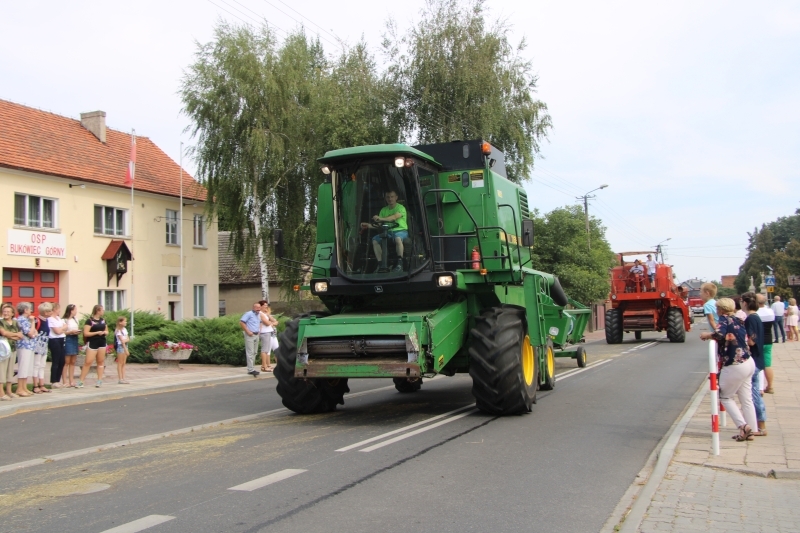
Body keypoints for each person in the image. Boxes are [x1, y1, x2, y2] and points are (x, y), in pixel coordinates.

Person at [700, 298, 757, 442]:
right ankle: (753, 429)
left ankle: (744, 426)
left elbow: (719, 334)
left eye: (717, 309)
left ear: (721, 309)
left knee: (725, 397)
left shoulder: (724, 319)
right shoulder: (738, 319)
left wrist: (707, 335)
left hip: (734, 363)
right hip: (748, 361)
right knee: (746, 398)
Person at [361, 189, 408, 272]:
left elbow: (393, 218)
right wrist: (367, 225)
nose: (390, 199)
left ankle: (400, 263)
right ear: (385, 198)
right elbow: (379, 225)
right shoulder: (383, 210)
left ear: (396, 197)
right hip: (388, 232)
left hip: (401, 231)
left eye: (392, 197)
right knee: (375, 240)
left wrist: (380, 218)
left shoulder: (401, 208)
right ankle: (381, 264)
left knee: (397, 238)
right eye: (388, 197)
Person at [741, 293, 767, 436]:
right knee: (754, 392)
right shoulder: (756, 317)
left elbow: (751, 340)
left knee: (754, 394)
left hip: (754, 359)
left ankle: (760, 425)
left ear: (745, 303)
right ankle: (759, 424)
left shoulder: (750, 319)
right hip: (759, 357)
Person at [78, 304, 108, 388]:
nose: (103, 311)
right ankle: (81, 381)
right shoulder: (89, 321)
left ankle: (99, 380)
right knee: (88, 362)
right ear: (98, 311)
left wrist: (104, 332)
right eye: (102, 309)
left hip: (102, 342)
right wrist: (97, 332)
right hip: (93, 342)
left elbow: (107, 331)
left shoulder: (103, 320)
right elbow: (86, 333)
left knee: (100, 361)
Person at [0, 303, 23, 400]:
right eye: (4, 311)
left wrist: (11, 335)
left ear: (12, 313)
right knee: (2, 371)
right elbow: (3, 333)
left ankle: (9, 391)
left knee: (10, 371)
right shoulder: (1, 322)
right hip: (3, 350)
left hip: (13, 348)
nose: (6, 313)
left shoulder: (15, 322)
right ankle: (1, 393)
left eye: (8, 312)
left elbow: (20, 336)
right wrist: (15, 334)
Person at [15, 302, 37, 397]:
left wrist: (33, 330)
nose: (31, 311)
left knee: (27, 368)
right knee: (23, 367)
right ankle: (19, 389)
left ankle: (24, 387)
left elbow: (35, 332)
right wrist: (33, 322)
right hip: (24, 346)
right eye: (29, 309)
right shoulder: (21, 320)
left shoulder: (26, 320)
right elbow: (30, 333)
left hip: (29, 346)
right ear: (25, 310)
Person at [756, 294, 776, 395]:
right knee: (768, 364)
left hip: (758, 340)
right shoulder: (770, 311)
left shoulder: (755, 313)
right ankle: (770, 386)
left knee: (757, 363)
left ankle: (759, 387)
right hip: (768, 339)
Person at [31, 303, 52, 393]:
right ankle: (35, 385)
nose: (51, 312)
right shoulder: (37, 320)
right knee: (36, 365)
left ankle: (42, 385)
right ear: (45, 312)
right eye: (50, 311)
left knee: (42, 365)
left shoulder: (46, 321)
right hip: (37, 346)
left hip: (44, 346)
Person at [240, 302, 262, 376]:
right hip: (250, 335)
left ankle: (252, 368)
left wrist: (259, 331)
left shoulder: (258, 315)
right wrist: (248, 331)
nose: (258, 309)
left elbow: (260, 322)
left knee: (255, 352)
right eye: (257, 307)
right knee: (250, 352)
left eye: (259, 307)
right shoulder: (249, 314)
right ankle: (250, 369)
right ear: (253, 308)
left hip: (256, 334)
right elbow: (242, 322)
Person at [47, 302, 66, 388]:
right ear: (55, 309)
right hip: (54, 340)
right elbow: (57, 331)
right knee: (56, 360)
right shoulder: (50, 319)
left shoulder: (58, 318)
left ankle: (58, 380)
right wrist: (62, 329)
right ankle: (54, 380)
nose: (60, 311)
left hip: (61, 339)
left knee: (62, 360)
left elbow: (66, 326)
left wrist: (62, 329)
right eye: (58, 309)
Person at [62, 304, 80, 388]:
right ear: (71, 311)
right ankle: (64, 381)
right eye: (75, 310)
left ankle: (71, 380)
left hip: (74, 338)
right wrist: (70, 332)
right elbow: (62, 332)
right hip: (68, 339)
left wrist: (77, 332)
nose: (76, 311)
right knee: (67, 361)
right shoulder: (64, 320)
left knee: (73, 361)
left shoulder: (75, 319)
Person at [258, 300, 279, 372]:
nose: (266, 307)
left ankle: (268, 365)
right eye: (265, 305)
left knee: (271, 349)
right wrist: (272, 323)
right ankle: (265, 366)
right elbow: (267, 323)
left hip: (270, 333)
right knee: (265, 350)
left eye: (267, 305)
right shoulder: (260, 314)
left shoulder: (265, 314)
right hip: (265, 333)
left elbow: (276, 322)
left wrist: (268, 315)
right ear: (260, 306)